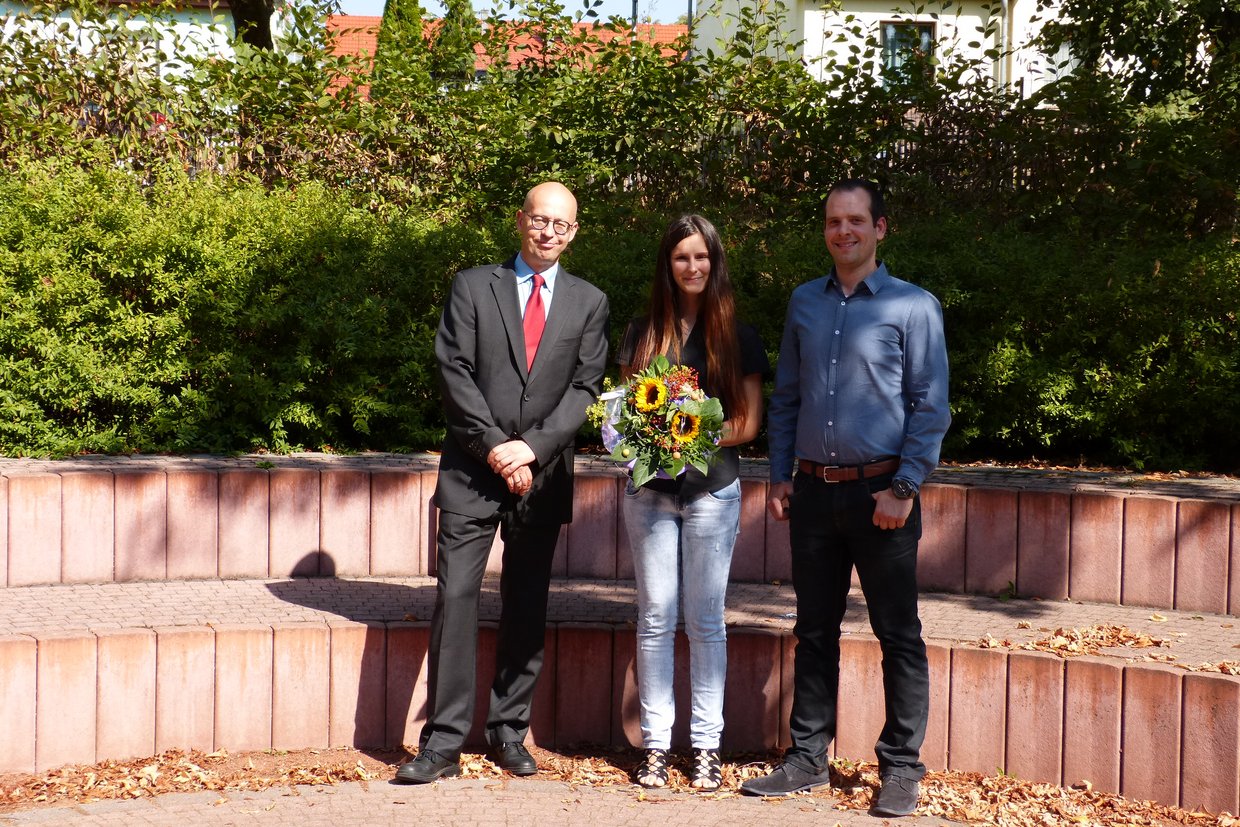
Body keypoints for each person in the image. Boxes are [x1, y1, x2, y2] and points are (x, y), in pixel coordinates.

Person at [739, 180, 950, 817]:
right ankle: (807, 758)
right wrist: (780, 475)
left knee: (899, 635)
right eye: (834, 222)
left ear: (880, 229)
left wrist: (905, 487)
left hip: (882, 496)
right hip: (811, 495)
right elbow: (786, 398)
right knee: (813, 631)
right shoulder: (805, 302)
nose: (843, 232)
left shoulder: (914, 307)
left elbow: (929, 405)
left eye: (856, 221)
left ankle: (902, 767)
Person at [395, 181, 609, 784]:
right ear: (521, 221)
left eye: (561, 225)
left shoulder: (589, 302)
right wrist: (496, 447)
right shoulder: (472, 286)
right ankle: (441, 744)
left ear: (574, 233)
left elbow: (583, 389)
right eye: (540, 221)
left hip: (540, 478)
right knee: (455, 598)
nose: (548, 233)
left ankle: (508, 730)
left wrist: (531, 450)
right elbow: (453, 371)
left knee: (526, 603)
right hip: (472, 468)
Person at [617, 214, 769, 791]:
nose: (692, 266)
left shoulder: (738, 335)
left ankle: (706, 744)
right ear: (667, 264)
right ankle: (656, 745)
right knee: (655, 618)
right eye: (681, 257)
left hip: (712, 492)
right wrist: (653, 435)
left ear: (715, 261)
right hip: (650, 495)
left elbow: (749, 422)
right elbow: (627, 413)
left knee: (705, 621)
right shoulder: (641, 332)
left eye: (701, 256)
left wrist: (686, 435)